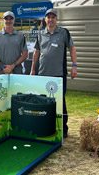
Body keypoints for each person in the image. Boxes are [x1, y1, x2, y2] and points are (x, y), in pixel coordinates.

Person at [31, 9, 77, 138]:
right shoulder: (40, 34)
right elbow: (36, 52)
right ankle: (46, 126)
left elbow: (72, 48)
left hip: (58, 74)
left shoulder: (64, 33)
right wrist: (33, 69)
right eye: (48, 17)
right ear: (45, 20)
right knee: (44, 101)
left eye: (53, 17)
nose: (50, 19)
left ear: (56, 19)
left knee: (60, 101)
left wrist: (74, 66)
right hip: (42, 74)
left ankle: (64, 129)